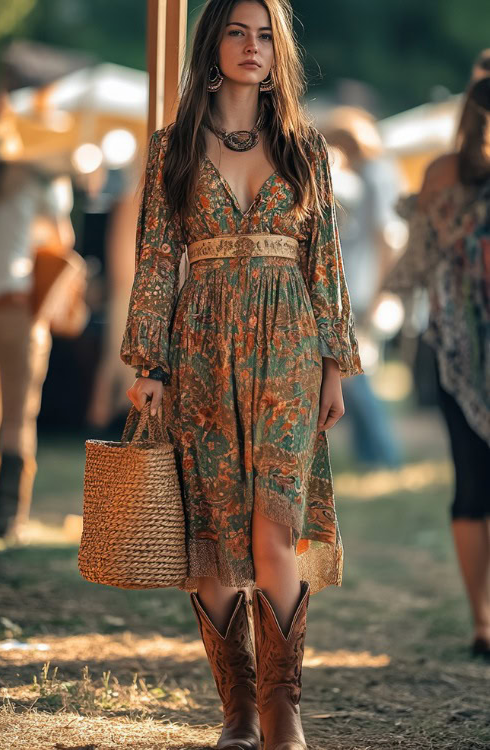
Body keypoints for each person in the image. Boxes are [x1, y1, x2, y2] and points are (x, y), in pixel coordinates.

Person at [121, 1, 362, 748]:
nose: (253, 47)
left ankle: (283, 711)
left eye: (266, 36)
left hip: (289, 342)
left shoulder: (304, 146)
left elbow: (326, 259)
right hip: (200, 343)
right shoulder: (174, 146)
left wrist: (334, 365)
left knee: (272, 531)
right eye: (238, 31)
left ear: (278, 51)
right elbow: (159, 257)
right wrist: (151, 361)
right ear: (213, 41)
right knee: (213, 528)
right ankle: (237, 711)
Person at [385, 52, 490, 659]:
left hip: (454, 349)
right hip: (463, 347)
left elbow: (414, 267)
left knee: (470, 486)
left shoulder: (441, 174)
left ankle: (482, 621)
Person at [0, 103, 75, 545]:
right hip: (15, 309)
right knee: (17, 416)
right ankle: (8, 517)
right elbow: (63, 240)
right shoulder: (35, 177)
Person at [322, 108, 404, 469]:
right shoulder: (372, 174)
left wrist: (384, 290)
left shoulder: (375, 176)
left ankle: (382, 454)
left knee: (354, 371)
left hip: (362, 283)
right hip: (359, 282)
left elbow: (387, 238)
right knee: (353, 369)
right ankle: (372, 452)